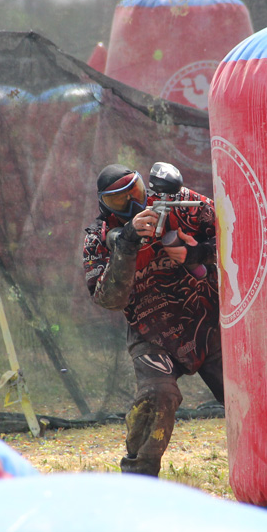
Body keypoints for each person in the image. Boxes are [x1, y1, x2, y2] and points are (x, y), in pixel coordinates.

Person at [82, 162, 224, 476]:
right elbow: (109, 300)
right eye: (119, 200)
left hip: (209, 322)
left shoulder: (179, 203)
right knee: (157, 395)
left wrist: (198, 253)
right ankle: (138, 481)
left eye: (134, 192)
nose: (131, 203)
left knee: (245, 396)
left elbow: (241, 232)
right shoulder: (99, 238)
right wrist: (127, 242)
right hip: (151, 334)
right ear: (104, 204)